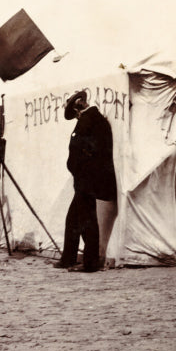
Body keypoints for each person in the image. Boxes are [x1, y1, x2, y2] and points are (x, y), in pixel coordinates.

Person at [55, 90, 117, 272]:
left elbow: (85, 151)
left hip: (87, 180)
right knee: (73, 220)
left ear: (80, 105)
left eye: (75, 112)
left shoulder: (90, 121)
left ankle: (90, 263)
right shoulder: (95, 120)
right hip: (86, 179)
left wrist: (76, 168)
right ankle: (68, 258)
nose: (76, 116)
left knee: (87, 221)